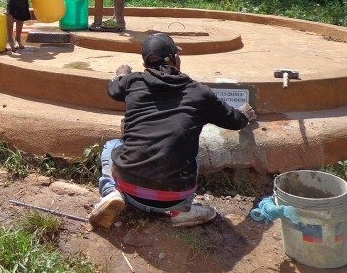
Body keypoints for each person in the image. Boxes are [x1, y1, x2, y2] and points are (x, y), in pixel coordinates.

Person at [89, 33, 257, 228]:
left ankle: (111, 193)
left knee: (112, 145)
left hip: (130, 188)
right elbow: (235, 122)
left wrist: (122, 73)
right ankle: (182, 210)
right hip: (174, 196)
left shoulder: (132, 83)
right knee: (188, 144)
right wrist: (245, 113)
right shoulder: (199, 93)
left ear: (145, 64)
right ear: (175, 59)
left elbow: (113, 89)